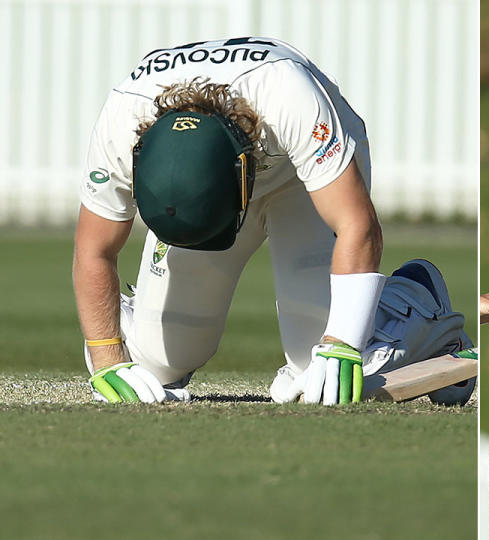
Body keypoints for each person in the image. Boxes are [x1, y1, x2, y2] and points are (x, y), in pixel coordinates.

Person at [77, 36, 391, 405]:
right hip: (226, 174)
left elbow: (356, 224)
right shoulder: (121, 121)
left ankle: (410, 309)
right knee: (151, 365)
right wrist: (107, 359)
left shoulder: (287, 93)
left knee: (317, 368)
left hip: (299, 176)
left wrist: (343, 342)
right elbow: (93, 249)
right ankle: (142, 313)